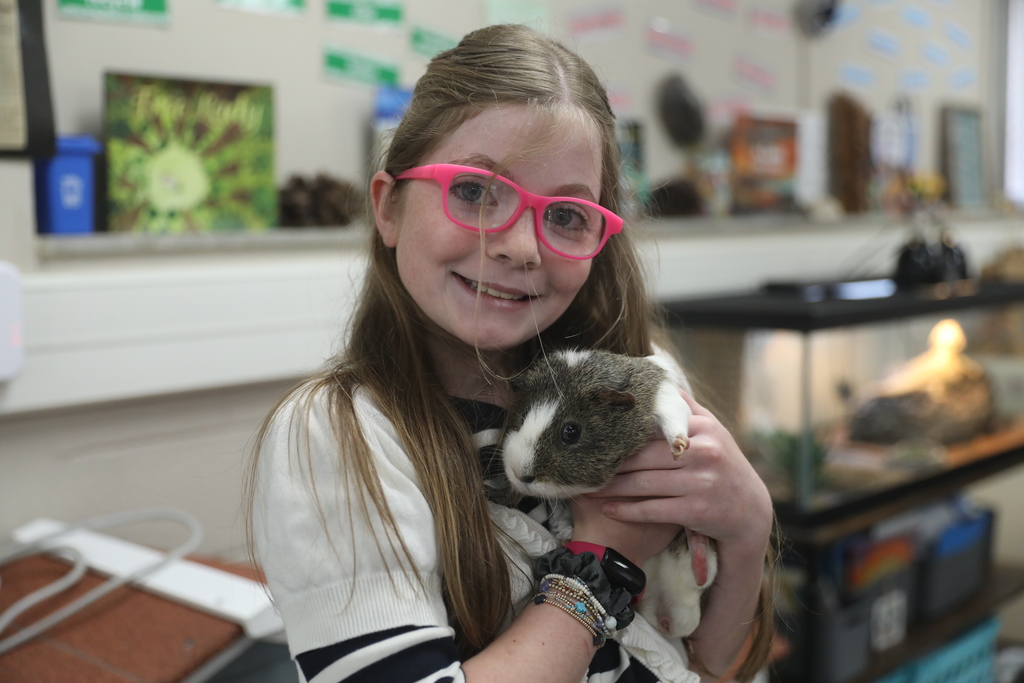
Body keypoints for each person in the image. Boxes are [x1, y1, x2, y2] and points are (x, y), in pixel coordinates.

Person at [246, 23, 775, 683]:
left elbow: (718, 661)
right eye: (474, 191)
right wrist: (599, 562)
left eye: (565, 215)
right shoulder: (338, 435)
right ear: (388, 206)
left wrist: (750, 524)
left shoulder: (624, 379)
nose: (521, 246)